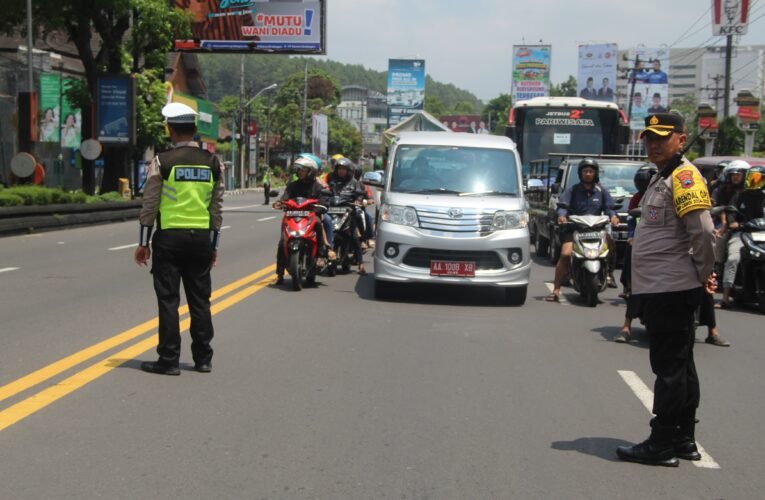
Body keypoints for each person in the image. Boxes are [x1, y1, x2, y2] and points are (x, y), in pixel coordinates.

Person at [616, 113, 716, 467]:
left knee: (669, 369)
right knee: (682, 366)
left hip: (670, 289)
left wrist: (702, 273)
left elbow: (703, 232)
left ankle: (661, 443)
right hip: (664, 287)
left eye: (663, 136)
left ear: (680, 138)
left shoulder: (684, 176)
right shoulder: (664, 176)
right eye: (649, 137)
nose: (654, 143)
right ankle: (683, 439)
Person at [134, 102, 224, 375]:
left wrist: (142, 242)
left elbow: (149, 205)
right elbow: (216, 208)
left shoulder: (162, 161)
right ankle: (203, 358)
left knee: (169, 300)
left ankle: (169, 360)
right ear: (195, 129)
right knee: (200, 300)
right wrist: (214, 246)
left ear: (170, 129)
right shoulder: (212, 162)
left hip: (170, 239)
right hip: (200, 241)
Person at [545, 158, 620, 302]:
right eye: (585, 171)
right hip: (575, 230)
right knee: (566, 254)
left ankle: (609, 275)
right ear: (580, 173)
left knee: (610, 244)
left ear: (595, 173)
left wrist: (613, 217)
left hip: (597, 230)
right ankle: (556, 289)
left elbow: (609, 208)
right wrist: (562, 216)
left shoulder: (601, 191)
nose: (588, 174)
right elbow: (562, 206)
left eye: (591, 171)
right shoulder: (572, 190)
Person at [273, 154, 333, 285]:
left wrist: (321, 207)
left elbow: (324, 199)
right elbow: (285, 198)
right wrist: (281, 203)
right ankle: (280, 273)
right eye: (299, 170)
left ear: (310, 171)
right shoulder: (293, 185)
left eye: (302, 170)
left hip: (311, 216)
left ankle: (322, 255)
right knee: (282, 240)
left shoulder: (318, 186)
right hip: (293, 217)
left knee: (319, 222)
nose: (299, 172)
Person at [615, 164, 656, 342]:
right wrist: (632, 236)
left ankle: (712, 330)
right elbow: (632, 219)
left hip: (669, 245)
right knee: (637, 282)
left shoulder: (667, 195)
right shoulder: (637, 199)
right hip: (644, 241)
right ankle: (626, 326)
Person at [720, 165, 765, 309]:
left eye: (757, 178)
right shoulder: (740, 195)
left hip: (763, 234)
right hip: (743, 233)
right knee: (733, 258)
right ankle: (726, 297)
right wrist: (733, 222)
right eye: (751, 178)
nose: (754, 181)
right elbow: (731, 211)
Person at [326, 156, 368, 274]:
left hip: (348, 211)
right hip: (332, 210)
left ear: (348, 170)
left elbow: (360, 194)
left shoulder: (355, 182)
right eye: (339, 168)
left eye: (344, 169)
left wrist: (358, 201)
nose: (341, 171)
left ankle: (361, 264)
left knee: (354, 237)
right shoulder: (331, 179)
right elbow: (325, 190)